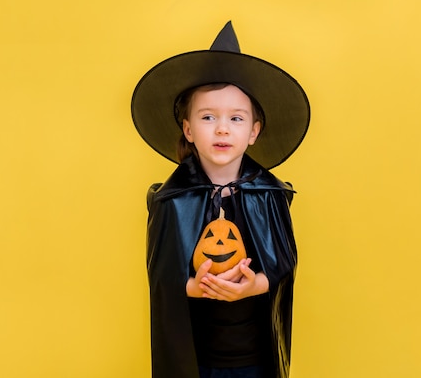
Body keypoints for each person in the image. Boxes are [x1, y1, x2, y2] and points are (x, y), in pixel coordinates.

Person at [131, 21, 310, 378]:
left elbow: (282, 265)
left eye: (236, 118)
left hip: (253, 357)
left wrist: (252, 286)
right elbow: (162, 278)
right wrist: (195, 288)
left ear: (254, 131)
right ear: (188, 130)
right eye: (208, 117)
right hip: (196, 358)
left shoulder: (269, 195)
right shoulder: (172, 199)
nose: (222, 128)